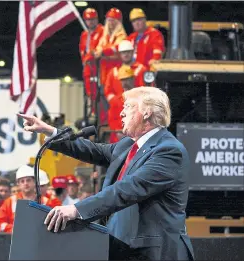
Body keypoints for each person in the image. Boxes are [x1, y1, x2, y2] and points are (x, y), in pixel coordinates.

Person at [18, 87, 194, 260]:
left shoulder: (168, 150)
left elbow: (129, 189)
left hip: (156, 252)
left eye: (128, 107)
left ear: (147, 112)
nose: (122, 113)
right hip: (121, 248)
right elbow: (93, 150)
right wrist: (50, 131)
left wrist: (77, 209)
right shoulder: (127, 146)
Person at [0, 165, 55, 233]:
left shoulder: (46, 202)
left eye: (28, 180)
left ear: (34, 181)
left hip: (39, 240)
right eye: (22, 181)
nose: (25, 183)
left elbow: (54, 223)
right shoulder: (10, 202)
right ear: (18, 184)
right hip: (15, 240)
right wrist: (15, 229)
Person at [79, 8, 104, 114]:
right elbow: (82, 49)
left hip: (99, 66)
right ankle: (92, 112)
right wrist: (85, 60)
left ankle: (99, 116)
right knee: (90, 93)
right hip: (88, 68)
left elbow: (98, 49)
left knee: (100, 93)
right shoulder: (84, 34)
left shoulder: (102, 31)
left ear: (97, 19)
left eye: (93, 19)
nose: (91, 22)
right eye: (88, 19)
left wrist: (89, 57)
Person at [94, 8, 127, 86]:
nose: (111, 23)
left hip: (117, 72)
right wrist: (100, 52)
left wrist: (103, 52)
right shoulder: (104, 37)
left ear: (118, 22)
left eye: (113, 20)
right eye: (109, 20)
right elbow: (98, 49)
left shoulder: (122, 36)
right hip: (104, 73)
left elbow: (116, 48)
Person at [106, 65, 135, 143]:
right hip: (119, 137)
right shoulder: (116, 100)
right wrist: (119, 131)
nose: (125, 82)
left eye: (127, 79)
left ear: (133, 79)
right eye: (122, 80)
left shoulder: (141, 98)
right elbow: (112, 119)